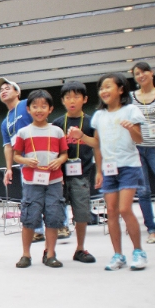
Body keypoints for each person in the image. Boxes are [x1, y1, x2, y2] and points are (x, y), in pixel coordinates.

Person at [91, 73, 148, 271]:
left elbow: (139, 140)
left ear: (121, 89)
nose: (104, 91)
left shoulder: (131, 110)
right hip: (108, 169)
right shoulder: (99, 116)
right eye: (101, 88)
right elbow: (97, 145)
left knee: (125, 209)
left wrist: (131, 128)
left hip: (129, 166)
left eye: (108, 86)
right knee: (112, 212)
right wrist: (98, 170)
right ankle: (118, 255)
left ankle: (139, 252)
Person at [13, 90, 68, 268]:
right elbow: (16, 156)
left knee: (53, 217)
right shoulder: (23, 132)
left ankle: (50, 253)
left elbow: (64, 154)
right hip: (31, 181)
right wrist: (26, 160)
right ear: (28, 109)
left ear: (50, 109)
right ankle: (26, 255)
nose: (39, 110)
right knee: (29, 218)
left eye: (43, 106)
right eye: (35, 106)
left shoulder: (57, 131)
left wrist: (59, 160)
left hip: (54, 181)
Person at [55, 81, 99, 264]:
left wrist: (82, 136)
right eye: (67, 97)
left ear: (85, 99)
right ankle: (49, 250)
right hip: (60, 176)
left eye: (76, 96)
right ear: (63, 101)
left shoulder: (90, 121)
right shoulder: (58, 123)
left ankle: (80, 249)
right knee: (54, 212)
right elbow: (54, 151)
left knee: (81, 213)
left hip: (82, 174)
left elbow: (97, 144)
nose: (72, 100)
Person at [0, 77, 44, 243]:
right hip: (24, 162)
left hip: (42, 155)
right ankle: (37, 230)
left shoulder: (26, 105)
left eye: (8, 88)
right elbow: (8, 146)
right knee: (30, 197)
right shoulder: (5, 122)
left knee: (51, 192)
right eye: (1, 89)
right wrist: (9, 168)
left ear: (17, 92)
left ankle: (60, 225)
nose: (3, 91)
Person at [130, 62, 155, 244]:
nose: (141, 75)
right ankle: (151, 229)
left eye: (144, 71)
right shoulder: (131, 97)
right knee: (143, 191)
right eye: (137, 73)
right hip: (137, 148)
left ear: (152, 73)